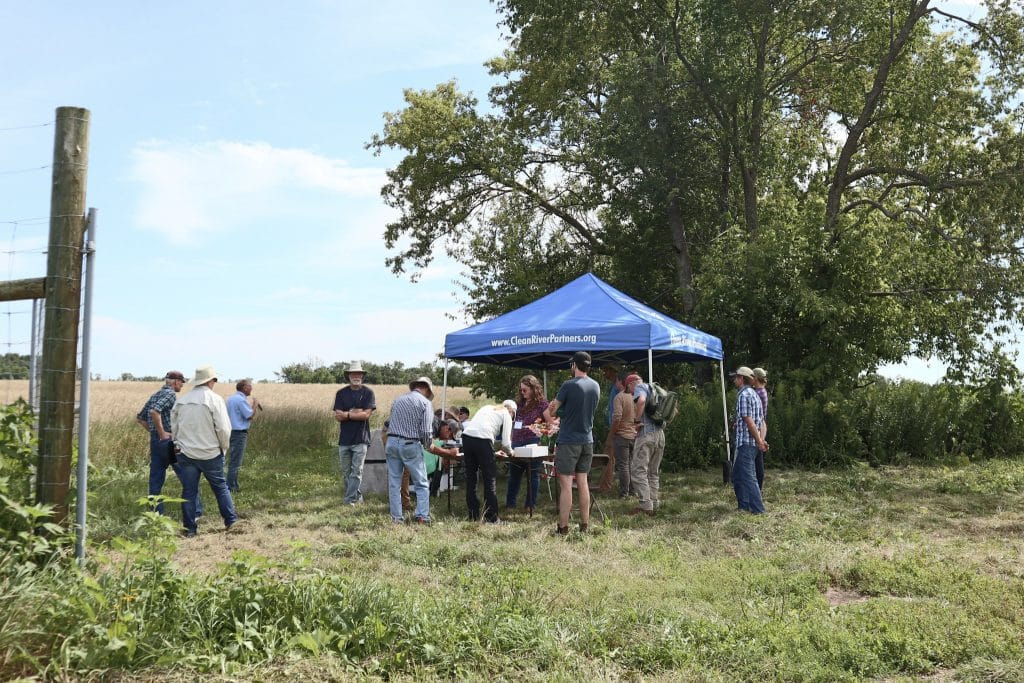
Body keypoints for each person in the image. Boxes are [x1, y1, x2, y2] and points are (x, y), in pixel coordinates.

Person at [172, 365, 238, 537]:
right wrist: (223, 447)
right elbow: (224, 429)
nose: (215, 382)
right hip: (210, 453)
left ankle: (190, 529)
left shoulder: (182, 400)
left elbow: (174, 427)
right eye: (215, 379)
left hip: (186, 453)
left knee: (188, 491)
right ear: (210, 381)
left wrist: (177, 445)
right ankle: (231, 522)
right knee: (220, 488)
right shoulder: (215, 400)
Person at [543, 351, 600, 534]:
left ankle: (563, 527)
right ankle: (584, 525)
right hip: (587, 440)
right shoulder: (596, 386)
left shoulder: (568, 385)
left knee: (566, 485)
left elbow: (551, 411)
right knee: (583, 482)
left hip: (568, 441)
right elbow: (580, 411)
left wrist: (557, 408)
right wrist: (564, 412)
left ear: (574, 365)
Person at [135, 370, 188, 514]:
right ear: (176, 381)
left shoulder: (156, 394)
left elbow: (140, 418)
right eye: (182, 382)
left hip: (155, 442)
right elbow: (154, 411)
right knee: (186, 475)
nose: (182, 385)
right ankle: (195, 512)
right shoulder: (170, 394)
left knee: (155, 479)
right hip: (168, 443)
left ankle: (156, 514)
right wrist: (163, 434)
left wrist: (155, 433)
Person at [384, 376, 435, 524]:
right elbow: (426, 431)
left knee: (394, 482)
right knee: (421, 483)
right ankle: (422, 517)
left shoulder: (398, 399)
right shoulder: (425, 403)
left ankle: (396, 518)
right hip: (410, 444)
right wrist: (428, 445)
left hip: (392, 441)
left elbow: (390, 421)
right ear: (426, 389)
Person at [461, 399, 517, 523]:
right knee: (489, 479)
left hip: (467, 438)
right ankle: (492, 518)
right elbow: (506, 443)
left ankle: (473, 515)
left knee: (471, 479)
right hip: (483, 440)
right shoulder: (506, 414)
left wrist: (492, 452)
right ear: (512, 411)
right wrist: (511, 452)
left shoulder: (487, 407)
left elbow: (479, 429)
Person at [333, 361, 376, 505]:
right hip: (344, 439)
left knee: (357, 471)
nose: (356, 376)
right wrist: (355, 412)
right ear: (349, 376)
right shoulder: (341, 393)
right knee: (346, 472)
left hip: (361, 439)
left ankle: (349, 500)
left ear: (362, 376)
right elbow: (338, 416)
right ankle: (357, 497)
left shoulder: (368, 393)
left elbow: (366, 415)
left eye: (358, 374)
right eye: (353, 373)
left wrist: (348, 414)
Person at [505, 375, 549, 515]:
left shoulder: (542, 404)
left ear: (533, 388)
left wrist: (539, 428)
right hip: (516, 442)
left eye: (525, 390)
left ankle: (530, 504)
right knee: (514, 475)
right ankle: (510, 504)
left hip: (532, 443)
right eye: (521, 390)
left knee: (533, 474)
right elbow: (512, 423)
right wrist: (510, 439)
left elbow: (550, 423)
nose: (522, 393)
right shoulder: (518, 404)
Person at [626, 372, 666, 516]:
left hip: (646, 435)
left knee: (638, 471)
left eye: (628, 389)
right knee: (653, 472)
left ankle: (645, 506)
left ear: (631, 384)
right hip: (660, 435)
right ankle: (654, 503)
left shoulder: (640, 387)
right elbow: (673, 410)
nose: (631, 394)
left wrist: (636, 420)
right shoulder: (656, 389)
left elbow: (641, 401)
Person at [731, 366, 768, 514]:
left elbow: (749, 421)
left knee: (748, 477)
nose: (734, 380)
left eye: (736, 377)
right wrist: (761, 440)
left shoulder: (744, 395)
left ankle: (758, 510)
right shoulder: (754, 394)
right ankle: (743, 505)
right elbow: (762, 422)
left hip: (746, 443)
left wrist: (759, 441)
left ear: (741, 379)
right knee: (738, 475)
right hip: (750, 442)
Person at [225, 378, 260, 493]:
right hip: (239, 433)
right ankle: (231, 487)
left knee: (233, 459)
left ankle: (233, 484)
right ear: (244, 387)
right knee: (236, 461)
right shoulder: (240, 400)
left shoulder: (231, 399)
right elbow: (249, 415)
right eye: (250, 386)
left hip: (230, 432)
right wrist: (255, 404)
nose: (251, 388)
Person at [610, 373, 637, 498]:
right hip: (634, 435)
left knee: (623, 466)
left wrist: (613, 432)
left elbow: (617, 417)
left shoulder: (619, 397)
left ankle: (624, 493)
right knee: (631, 464)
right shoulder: (636, 398)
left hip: (622, 435)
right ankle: (633, 490)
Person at [598, 363, 620, 491]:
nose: (603, 373)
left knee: (608, 456)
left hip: (615, 427)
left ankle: (606, 485)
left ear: (612, 370)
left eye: (605, 370)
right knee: (610, 456)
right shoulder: (614, 386)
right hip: (613, 426)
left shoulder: (618, 386)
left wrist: (614, 428)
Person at [752, 367, 769, 491]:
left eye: (752, 377)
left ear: (756, 378)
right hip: (760, 428)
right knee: (757, 460)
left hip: (757, 429)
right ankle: (758, 488)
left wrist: (760, 438)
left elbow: (758, 416)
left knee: (757, 462)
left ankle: (758, 489)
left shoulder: (758, 392)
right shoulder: (761, 391)